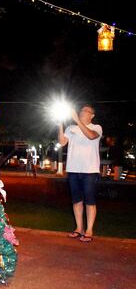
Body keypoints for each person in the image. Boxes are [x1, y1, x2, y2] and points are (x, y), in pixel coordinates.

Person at [58, 104, 102, 243]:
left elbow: (90, 136)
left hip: (89, 170)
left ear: (92, 115)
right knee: (76, 201)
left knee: (90, 201)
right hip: (73, 169)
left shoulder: (96, 128)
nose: (82, 112)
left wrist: (77, 120)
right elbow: (62, 142)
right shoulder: (71, 128)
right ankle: (79, 228)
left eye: (86, 111)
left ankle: (89, 230)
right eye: (81, 110)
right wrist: (60, 124)